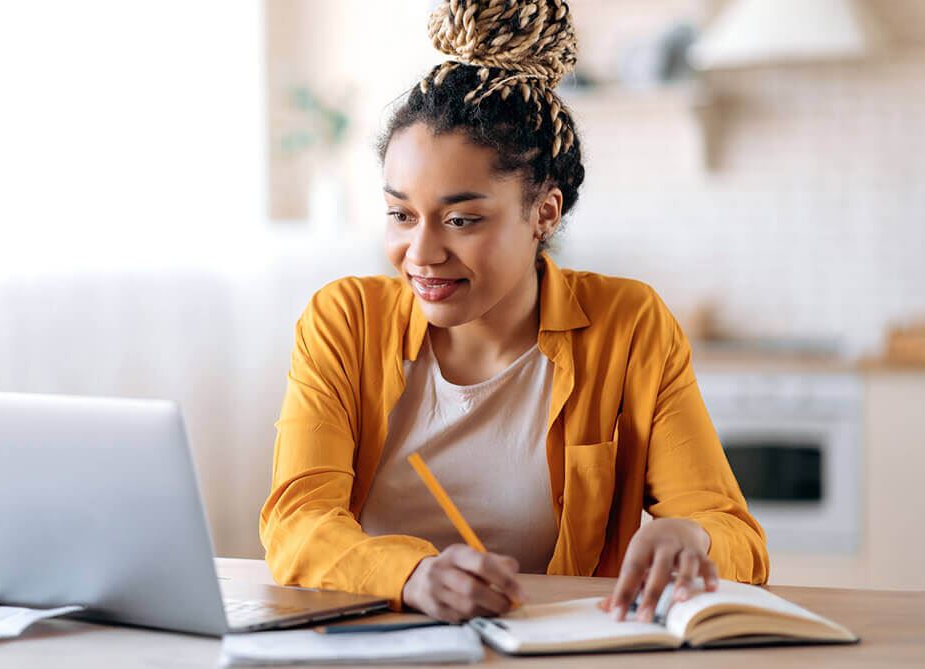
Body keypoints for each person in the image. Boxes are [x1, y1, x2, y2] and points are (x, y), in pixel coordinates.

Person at [260, 0, 768, 625]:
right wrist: (412, 576)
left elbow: (736, 535)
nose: (420, 253)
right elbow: (296, 520)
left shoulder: (629, 325)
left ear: (544, 213)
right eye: (401, 214)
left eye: (462, 219)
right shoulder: (343, 321)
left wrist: (693, 538)